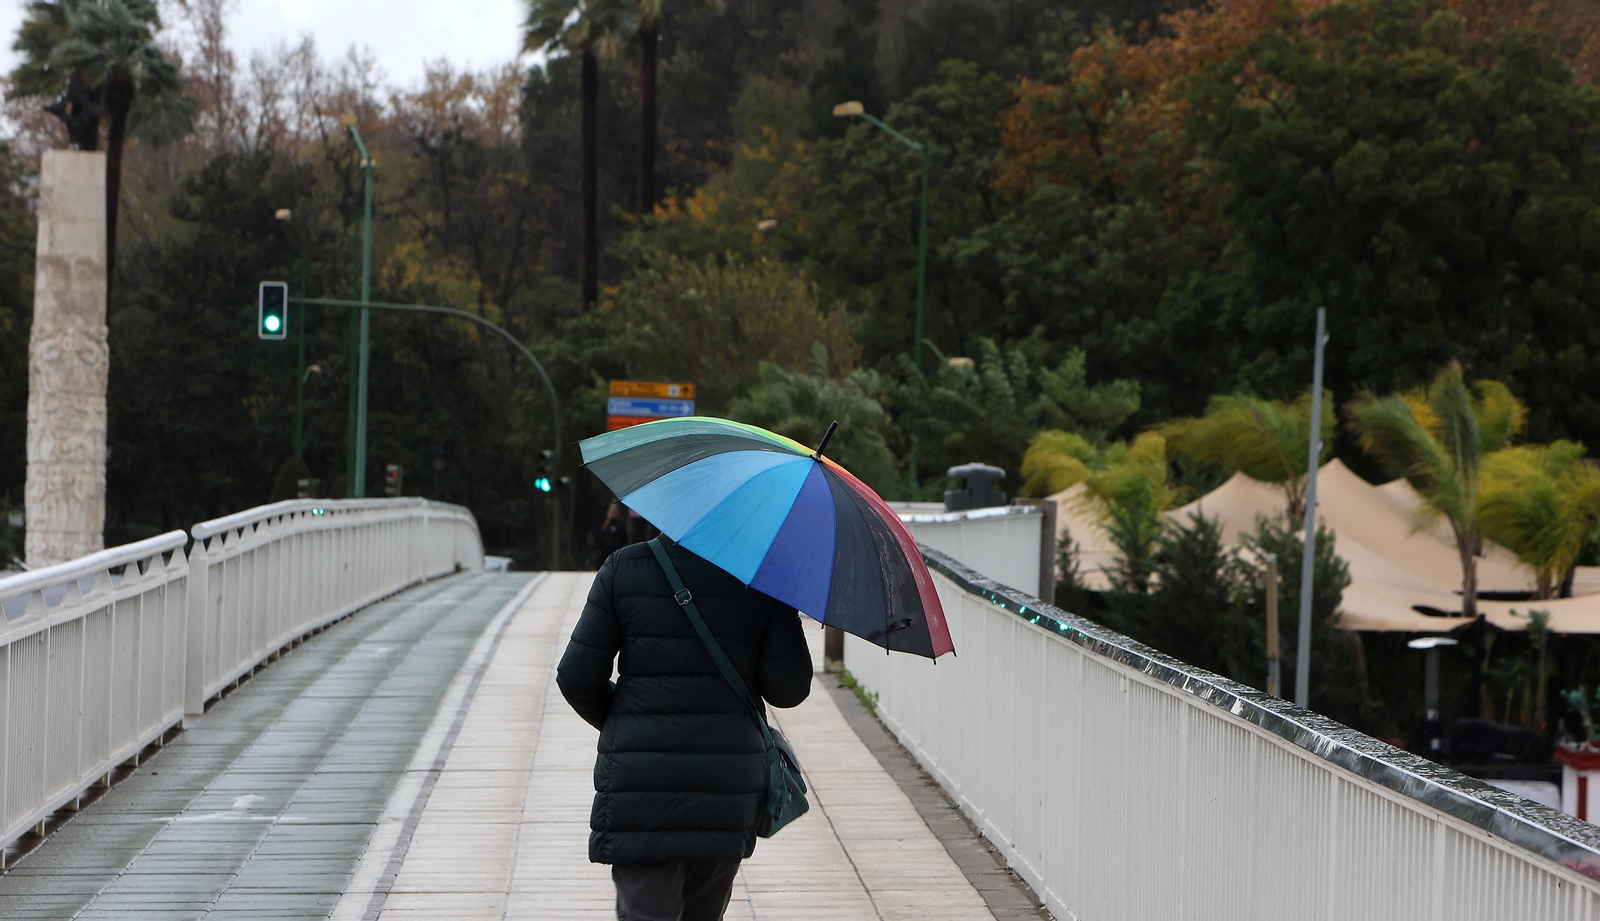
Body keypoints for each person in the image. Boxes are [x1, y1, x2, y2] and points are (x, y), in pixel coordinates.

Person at [557, 537, 813, 921]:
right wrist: (782, 605)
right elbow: (788, 690)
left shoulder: (624, 568)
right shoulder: (762, 578)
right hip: (726, 783)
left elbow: (576, 676)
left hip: (642, 783)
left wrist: (626, 724)